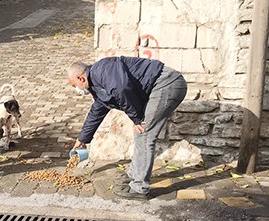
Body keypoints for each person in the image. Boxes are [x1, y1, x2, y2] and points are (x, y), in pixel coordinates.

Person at [67, 56, 187, 199]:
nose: (76, 90)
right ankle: (134, 176)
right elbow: (97, 111)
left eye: (74, 85)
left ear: (81, 78)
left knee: (144, 133)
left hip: (167, 84)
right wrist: (82, 139)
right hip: (160, 85)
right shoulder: (96, 85)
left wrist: (136, 118)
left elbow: (122, 88)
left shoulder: (103, 70)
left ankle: (140, 188)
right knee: (140, 133)